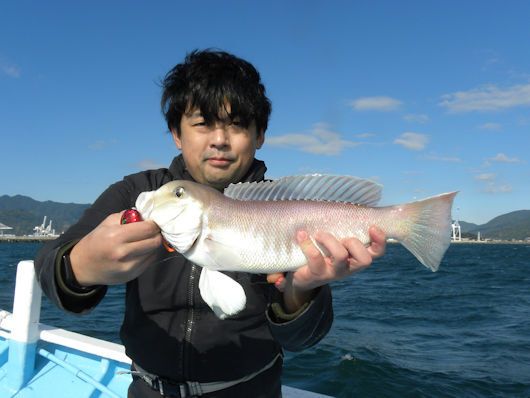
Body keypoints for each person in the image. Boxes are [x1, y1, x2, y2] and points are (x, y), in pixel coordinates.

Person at [35, 49, 386, 398]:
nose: (220, 139)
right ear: (176, 133)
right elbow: (50, 269)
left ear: (259, 135)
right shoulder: (137, 192)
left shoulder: (287, 210)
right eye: (202, 123)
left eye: (237, 125)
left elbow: (301, 340)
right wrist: (80, 264)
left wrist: (301, 292)